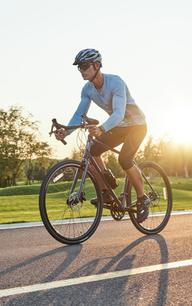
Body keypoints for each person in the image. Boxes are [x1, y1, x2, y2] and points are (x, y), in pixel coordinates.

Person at [54, 48, 151, 223]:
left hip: (136, 125)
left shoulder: (115, 82)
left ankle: (143, 199)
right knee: (92, 151)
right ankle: (107, 193)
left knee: (124, 159)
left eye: (85, 66)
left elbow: (119, 113)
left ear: (97, 65)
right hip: (119, 127)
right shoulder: (87, 89)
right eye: (79, 67)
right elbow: (79, 114)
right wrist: (66, 131)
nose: (82, 70)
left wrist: (102, 129)